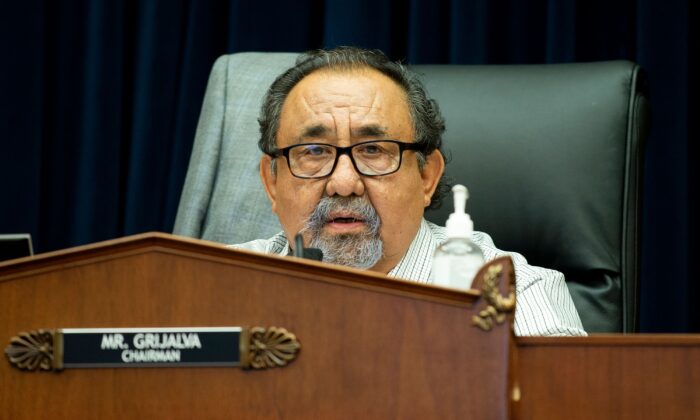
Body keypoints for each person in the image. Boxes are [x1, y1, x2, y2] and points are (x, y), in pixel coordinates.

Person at [233, 46, 586, 337]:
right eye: (313, 152)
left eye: (373, 150)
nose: (343, 183)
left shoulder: (513, 299)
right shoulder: (217, 284)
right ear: (272, 182)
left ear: (426, 178)